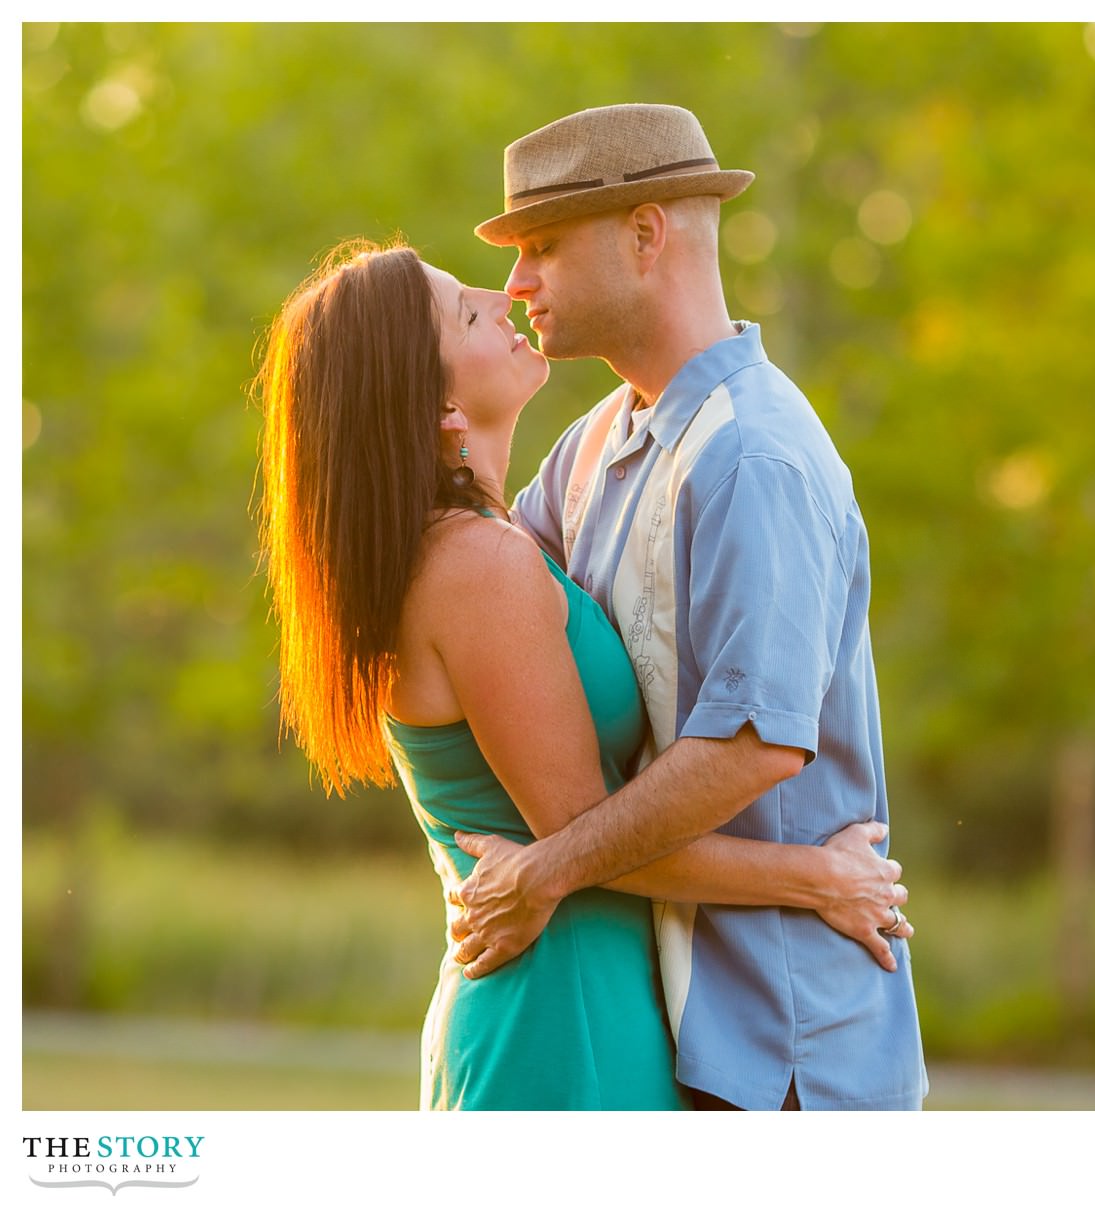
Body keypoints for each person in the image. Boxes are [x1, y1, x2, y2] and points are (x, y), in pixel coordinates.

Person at [253, 238, 911, 1110]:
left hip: (579, 993)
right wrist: (815, 878)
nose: (504, 294)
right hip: (561, 1015)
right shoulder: (477, 567)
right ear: (440, 406)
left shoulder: (508, 529)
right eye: (465, 309)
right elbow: (587, 836)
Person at [449, 103, 928, 1110]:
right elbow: (492, 598)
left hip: (784, 1052)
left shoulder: (752, 455)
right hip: (667, 1031)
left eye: (541, 247)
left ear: (643, 235)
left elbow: (752, 749)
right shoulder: (593, 444)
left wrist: (545, 871)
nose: (515, 283)